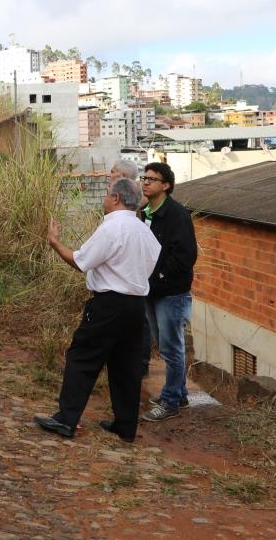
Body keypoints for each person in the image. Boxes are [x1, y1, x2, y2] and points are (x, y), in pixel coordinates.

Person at [35, 178, 161, 443]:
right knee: (126, 366)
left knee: (82, 358)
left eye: (106, 194)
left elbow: (81, 261)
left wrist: (55, 242)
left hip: (109, 303)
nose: (104, 199)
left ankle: (66, 419)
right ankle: (126, 427)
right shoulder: (145, 232)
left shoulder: (112, 228)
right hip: (136, 305)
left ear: (116, 198)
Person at [139, 162, 198, 422]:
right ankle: (179, 393)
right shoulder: (145, 213)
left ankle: (171, 401)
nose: (146, 182)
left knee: (172, 348)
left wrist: (160, 277)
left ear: (166, 185)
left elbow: (186, 256)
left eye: (152, 179)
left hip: (171, 293)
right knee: (164, 346)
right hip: (151, 290)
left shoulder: (177, 215)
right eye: (144, 177)